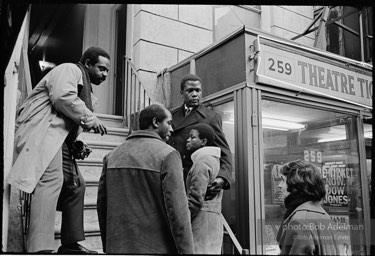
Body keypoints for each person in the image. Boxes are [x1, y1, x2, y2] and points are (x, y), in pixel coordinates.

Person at [7, 46, 109, 253]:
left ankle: (70, 244)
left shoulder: (87, 91)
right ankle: (40, 248)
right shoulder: (70, 70)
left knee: (76, 185)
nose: (105, 74)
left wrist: (78, 144)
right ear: (87, 64)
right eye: (101, 68)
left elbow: (67, 125)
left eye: (107, 70)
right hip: (41, 133)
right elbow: (62, 97)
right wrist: (91, 119)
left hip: (57, 140)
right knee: (51, 181)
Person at [97, 104, 194, 254]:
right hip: (156, 248)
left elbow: (102, 206)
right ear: (155, 122)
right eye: (169, 123)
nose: (172, 129)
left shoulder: (112, 156)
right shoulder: (168, 155)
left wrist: (108, 246)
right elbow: (178, 213)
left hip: (116, 248)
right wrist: (187, 251)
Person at [169, 74, 233, 200]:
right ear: (182, 93)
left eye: (197, 90)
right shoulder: (171, 115)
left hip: (194, 181)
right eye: (190, 90)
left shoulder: (211, 117)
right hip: (172, 178)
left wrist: (222, 177)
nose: (194, 94)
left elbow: (224, 152)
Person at [276, 160, 344, 255]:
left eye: (283, 180)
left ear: (296, 184)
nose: (279, 185)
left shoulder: (300, 220)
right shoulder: (321, 213)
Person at [185, 123, 223, 254]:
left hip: (201, 221)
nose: (188, 140)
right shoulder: (212, 159)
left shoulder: (202, 161)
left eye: (192, 137)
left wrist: (182, 221)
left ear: (203, 142)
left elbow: (196, 198)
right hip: (212, 220)